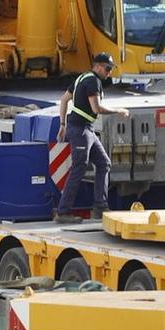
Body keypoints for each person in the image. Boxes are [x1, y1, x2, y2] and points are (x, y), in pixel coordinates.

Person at [56, 51, 127, 218]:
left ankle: (100, 207)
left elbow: (65, 99)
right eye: (108, 68)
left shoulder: (82, 78)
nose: (110, 72)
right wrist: (119, 111)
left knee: (104, 163)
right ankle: (63, 212)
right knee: (78, 169)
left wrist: (63, 124)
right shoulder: (93, 81)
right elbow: (97, 109)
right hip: (81, 130)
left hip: (84, 129)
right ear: (98, 66)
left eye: (111, 69)